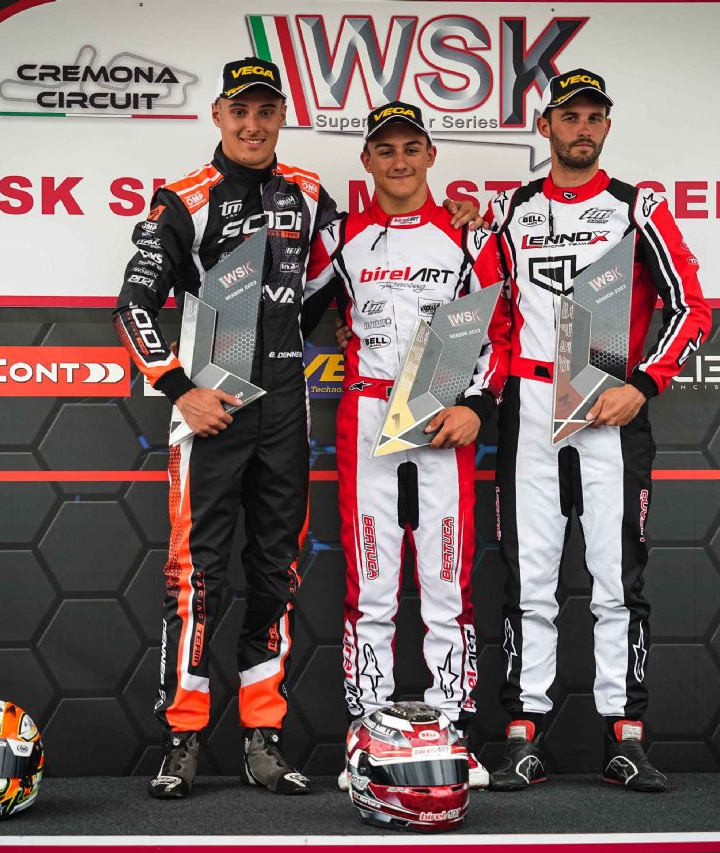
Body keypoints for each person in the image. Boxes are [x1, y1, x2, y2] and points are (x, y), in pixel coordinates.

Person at [114, 58, 484, 799]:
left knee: (275, 574)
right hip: (213, 408)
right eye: (239, 111)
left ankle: (263, 735)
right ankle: (183, 737)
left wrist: (462, 215)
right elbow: (132, 305)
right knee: (196, 580)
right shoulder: (183, 199)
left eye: (265, 111)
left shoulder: (309, 194)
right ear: (218, 116)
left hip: (284, 408)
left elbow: (343, 278)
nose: (252, 125)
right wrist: (181, 389)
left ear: (281, 116)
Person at [475, 69, 712, 792]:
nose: (582, 128)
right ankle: (522, 735)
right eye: (569, 116)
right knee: (529, 584)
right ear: (544, 125)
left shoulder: (637, 207)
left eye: (594, 117)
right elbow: (486, 316)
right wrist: (476, 395)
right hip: (529, 405)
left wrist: (643, 383)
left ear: (606, 126)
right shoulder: (508, 211)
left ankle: (625, 737)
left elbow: (690, 308)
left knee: (616, 583)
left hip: (610, 403)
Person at [302, 101, 510, 790]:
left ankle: (453, 732)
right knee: (373, 588)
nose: (399, 161)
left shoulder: (467, 233)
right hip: (366, 414)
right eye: (385, 150)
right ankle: (368, 735)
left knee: (447, 585)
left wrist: (477, 404)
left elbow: (500, 330)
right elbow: (294, 305)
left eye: (411, 148)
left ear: (430, 155)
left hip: (441, 412)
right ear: (366, 159)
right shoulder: (339, 237)